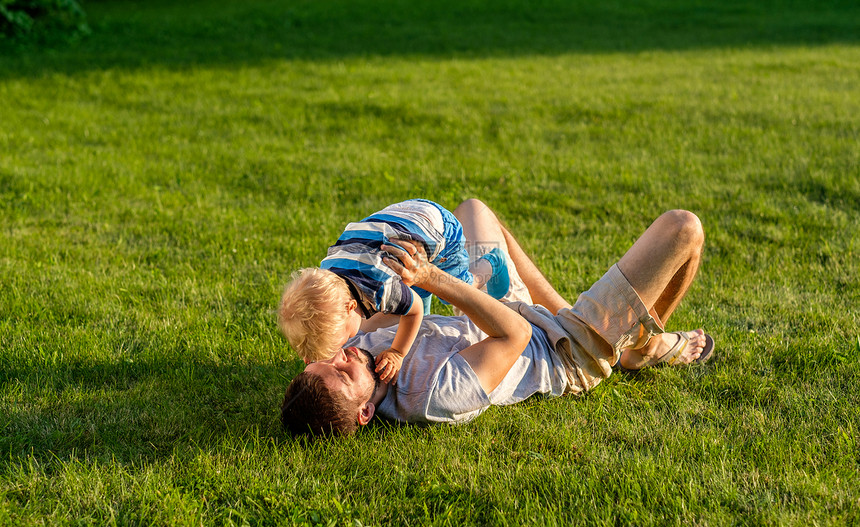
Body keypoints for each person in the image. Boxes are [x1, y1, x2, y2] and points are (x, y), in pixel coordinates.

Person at [280, 199, 715, 435]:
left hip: (502, 308)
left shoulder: (358, 355)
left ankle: (576, 311)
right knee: (683, 229)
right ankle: (639, 347)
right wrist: (431, 277)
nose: (346, 355)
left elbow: (363, 300)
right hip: (564, 350)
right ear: (365, 414)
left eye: (328, 360)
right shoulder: (434, 396)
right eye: (342, 372)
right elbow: (518, 335)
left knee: (473, 211)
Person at [278, 199, 510, 383]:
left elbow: (414, 310)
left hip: (438, 228)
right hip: (398, 217)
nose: (345, 346)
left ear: (350, 307)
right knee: (409, 285)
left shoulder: (382, 288)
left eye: (343, 340)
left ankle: (493, 262)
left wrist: (397, 352)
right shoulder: (327, 272)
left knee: (459, 289)